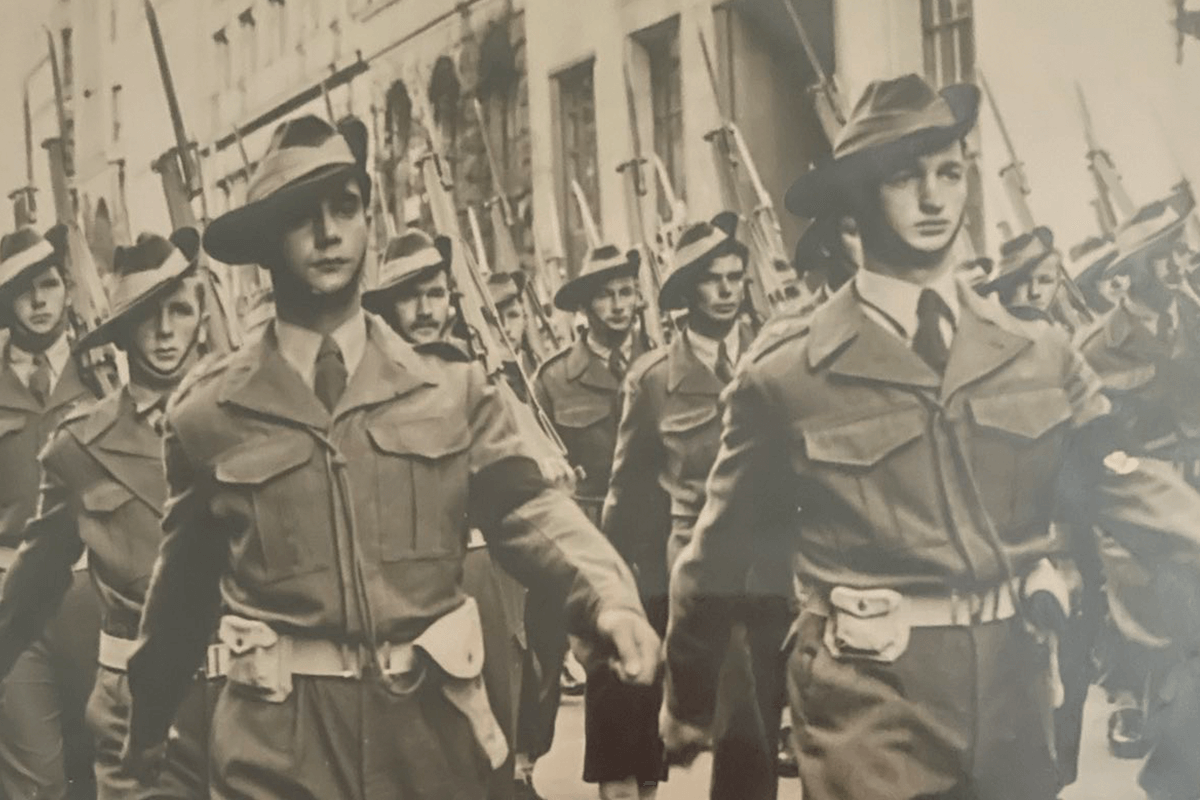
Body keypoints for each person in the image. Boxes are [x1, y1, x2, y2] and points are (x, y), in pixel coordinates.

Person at [660, 73, 1200, 800]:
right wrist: (688, 696)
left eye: (950, 173)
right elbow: (717, 551)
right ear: (857, 201)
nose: (934, 197)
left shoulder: (1037, 353)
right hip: (868, 705)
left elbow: (1128, 484)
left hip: (1013, 693)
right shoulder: (788, 376)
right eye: (905, 178)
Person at [119, 114, 659, 800]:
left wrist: (609, 598)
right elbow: (177, 610)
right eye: (301, 215)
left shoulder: (451, 389)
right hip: (277, 755)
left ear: (369, 220)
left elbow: (529, 509)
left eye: (345, 208)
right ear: (264, 240)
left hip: (429, 739)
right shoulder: (208, 416)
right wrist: (139, 760)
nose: (328, 232)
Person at [0, 229, 213, 799]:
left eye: (180, 311)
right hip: (119, 685)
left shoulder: (241, 416)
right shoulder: (83, 443)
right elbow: (29, 584)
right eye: (148, 317)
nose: (166, 332)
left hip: (241, 686)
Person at [601, 212, 784, 800]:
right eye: (714, 280)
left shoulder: (772, 358)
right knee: (743, 727)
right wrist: (617, 586)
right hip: (705, 578)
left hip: (776, 572)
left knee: (779, 719)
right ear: (687, 291)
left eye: (736, 278)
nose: (729, 291)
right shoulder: (653, 381)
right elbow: (627, 495)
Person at [362, 227, 542, 800]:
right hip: (389, 593)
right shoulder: (359, 387)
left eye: (435, 293)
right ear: (387, 305)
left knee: (487, 755)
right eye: (410, 295)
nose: (424, 309)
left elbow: (515, 494)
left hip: (472, 580)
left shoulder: (471, 382)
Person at [1077, 200, 1200, 799]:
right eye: (1168, 252)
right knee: (1159, 628)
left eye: (1183, 247)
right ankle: (1142, 713)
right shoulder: (1097, 348)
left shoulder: (1197, 317)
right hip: (1143, 507)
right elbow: (1095, 451)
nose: (1184, 258)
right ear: (1137, 269)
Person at [517, 244, 648, 798]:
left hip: (641, 537)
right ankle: (522, 763)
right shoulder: (553, 380)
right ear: (585, 307)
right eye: (606, 296)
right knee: (545, 658)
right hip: (575, 535)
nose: (619, 306)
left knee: (633, 666)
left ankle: (629, 781)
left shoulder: (656, 366)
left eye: (626, 293)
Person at [0, 225, 100, 800]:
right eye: (23, 291)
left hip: (96, 586)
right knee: (34, 778)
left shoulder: (104, 372)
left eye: (48, 285)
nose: (38, 302)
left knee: (103, 760)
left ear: (66, 289)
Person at [981, 226, 1062, 322]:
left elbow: (1005, 249)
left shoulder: (1028, 240)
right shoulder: (1045, 255)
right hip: (1019, 282)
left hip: (1011, 277)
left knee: (987, 289)